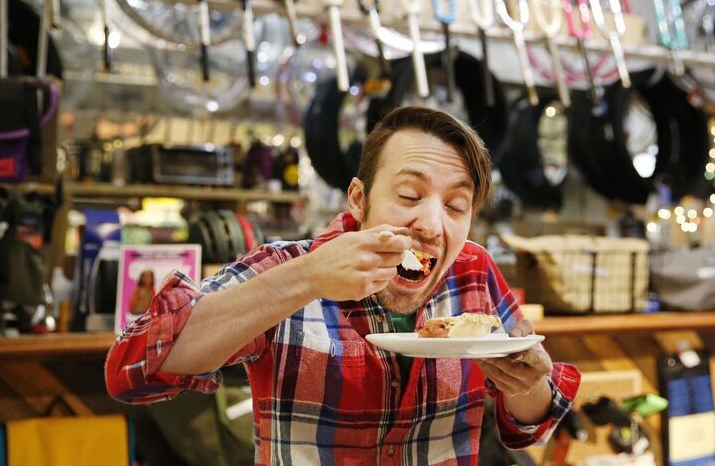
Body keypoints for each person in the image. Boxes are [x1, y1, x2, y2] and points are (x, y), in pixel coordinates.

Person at [106, 106, 580, 464]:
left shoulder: (471, 269)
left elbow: (532, 421)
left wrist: (525, 382)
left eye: (456, 206)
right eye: (410, 196)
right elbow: (133, 369)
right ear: (359, 198)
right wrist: (307, 277)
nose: (432, 224)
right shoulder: (287, 266)